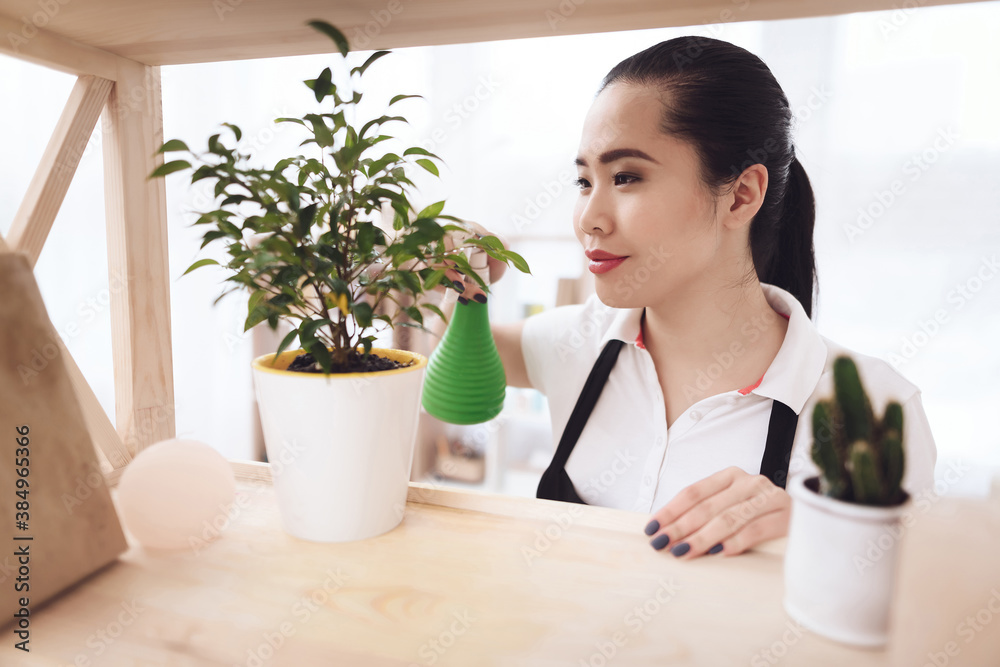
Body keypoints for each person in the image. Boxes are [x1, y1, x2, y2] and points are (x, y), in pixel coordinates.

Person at [441, 36, 937, 560]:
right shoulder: (580, 342)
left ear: (742, 195)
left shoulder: (875, 410)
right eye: (585, 180)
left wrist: (817, 530)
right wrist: (462, 282)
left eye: (626, 177)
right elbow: (455, 358)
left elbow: (919, 615)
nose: (589, 218)